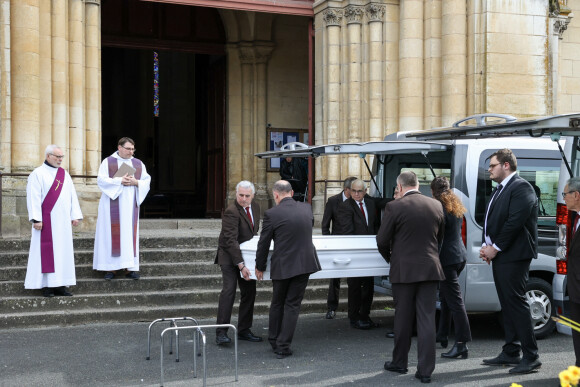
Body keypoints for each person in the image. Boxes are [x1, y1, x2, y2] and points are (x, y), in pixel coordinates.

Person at [376, 171, 445, 384]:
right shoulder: (436, 205)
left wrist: (392, 259)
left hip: (403, 270)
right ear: (417, 184)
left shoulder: (394, 207)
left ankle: (399, 362)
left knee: (403, 317)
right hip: (430, 268)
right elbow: (439, 239)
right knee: (426, 319)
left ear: (400, 186)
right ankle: (425, 371)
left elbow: (381, 240)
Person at [479, 148, 541, 374]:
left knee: (516, 303)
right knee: (507, 303)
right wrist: (487, 246)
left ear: (506, 165)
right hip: (503, 254)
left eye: (493, 165)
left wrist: (494, 248)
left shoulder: (521, 187)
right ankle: (511, 350)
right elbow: (493, 221)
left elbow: (515, 222)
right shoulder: (501, 189)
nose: (489, 169)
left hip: (515, 255)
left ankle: (531, 356)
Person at [255, 180, 321, 359]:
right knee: (292, 305)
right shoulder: (306, 208)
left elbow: (264, 243)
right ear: (291, 193)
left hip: (284, 264)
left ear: (276, 195)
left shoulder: (271, 214)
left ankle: (275, 339)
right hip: (305, 263)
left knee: (278, 302)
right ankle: (283, 345)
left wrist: (259, 266)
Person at [24, 145, 83, 297]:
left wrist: (74, 215)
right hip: (45, 222)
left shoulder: (64, 175)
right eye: (57, 156)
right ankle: (46, 286)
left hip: (62, 222)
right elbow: (33, 197)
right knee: (46, 253)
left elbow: (72, 195)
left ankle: (60, 285)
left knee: (63, 252)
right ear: (48, 156)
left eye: (62, 157)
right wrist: (36, 219)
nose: (60, 159)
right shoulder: (37, 174)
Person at [93, 137, 151, 280]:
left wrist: (136, 182)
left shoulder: (138, 163)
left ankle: (129, 268)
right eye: (128, 149)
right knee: (110, 235)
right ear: (119, 147)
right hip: (111, 205)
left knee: (128, 236)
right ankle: (110, 269)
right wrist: (119, 181)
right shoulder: (108, 162)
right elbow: (101, 180)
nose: (131, 152)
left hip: (130, 206)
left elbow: (146, 181)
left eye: (133, 149)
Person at [215, 181, 262, 345]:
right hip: (229, 256)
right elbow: (230, 241)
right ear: (236, 194)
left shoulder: (255, 207)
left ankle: (244, 330)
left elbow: (254, 233)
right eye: (240, 195)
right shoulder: (231, 211)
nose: (243, 199)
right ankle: (221, 332)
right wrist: (241, 265)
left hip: (246, 256)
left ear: (253, 196)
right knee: (229, 291)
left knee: (249, 291)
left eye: (247, 196)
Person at [430, 176, 472, 359]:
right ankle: (442, 335)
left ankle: (462, 343)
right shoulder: (455, 205)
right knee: (446, 298)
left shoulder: (438, 207)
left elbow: (436, 237)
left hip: (446, 259)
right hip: (459, 256)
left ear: (433, 191)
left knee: (455, 301)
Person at [335, 179, 380, 330]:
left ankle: (365, 315)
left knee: (368, 285)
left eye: (359, 191)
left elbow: (375, 226)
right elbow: (347, 232)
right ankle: (354, 317)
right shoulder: (345, 206)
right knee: (354, 286)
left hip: (370, 251)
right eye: (353, 191)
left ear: (365, 191)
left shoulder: (371, 203)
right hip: (354, 251)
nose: (356, 194)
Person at [321, 176, 357, 319]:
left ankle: (352, 310)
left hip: (353, 243)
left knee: (353, 279)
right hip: (337, 242)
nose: (356, 193)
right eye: (353, 190)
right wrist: (329, 243)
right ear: (346, 189)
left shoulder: (357, 200)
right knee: (334, 278)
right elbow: (325, 224)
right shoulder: (333, 201)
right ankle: (331, 307)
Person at [562, 177, 580, 367]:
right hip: (575, 286)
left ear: (576, 195)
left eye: (565, 194)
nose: (564, 198)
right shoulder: (575, 218)